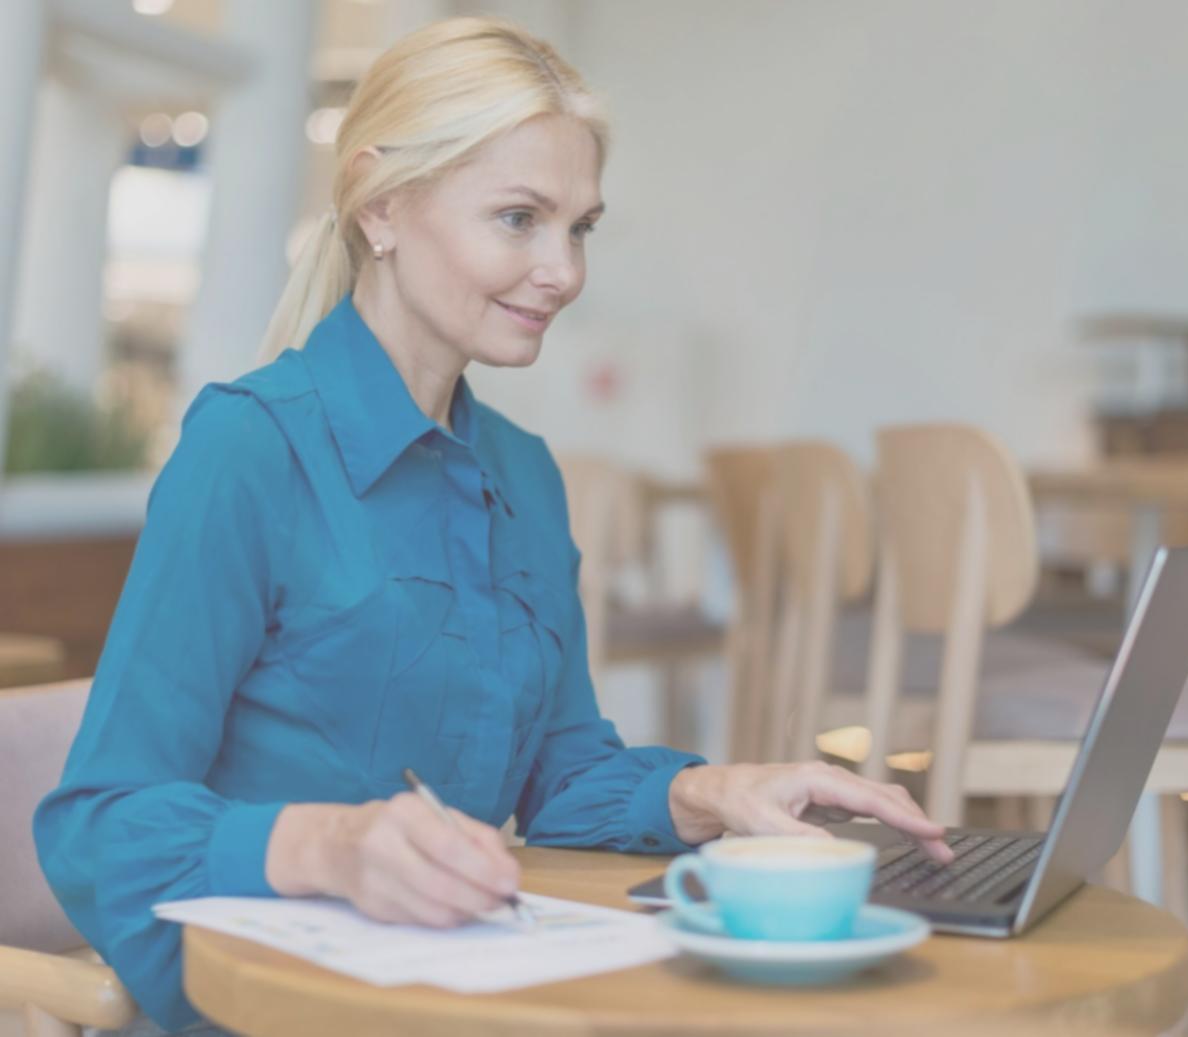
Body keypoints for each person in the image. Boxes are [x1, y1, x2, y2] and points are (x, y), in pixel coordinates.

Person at [34, 16, 952, 1035]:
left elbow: (558, 776)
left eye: (580, 226)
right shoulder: (249, 449)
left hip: (455, 995)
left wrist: (719, 790)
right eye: (518, 218)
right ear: (382, 205)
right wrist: (328, 845)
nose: (562, 270)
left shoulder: (523, 473)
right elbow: (102, 820)